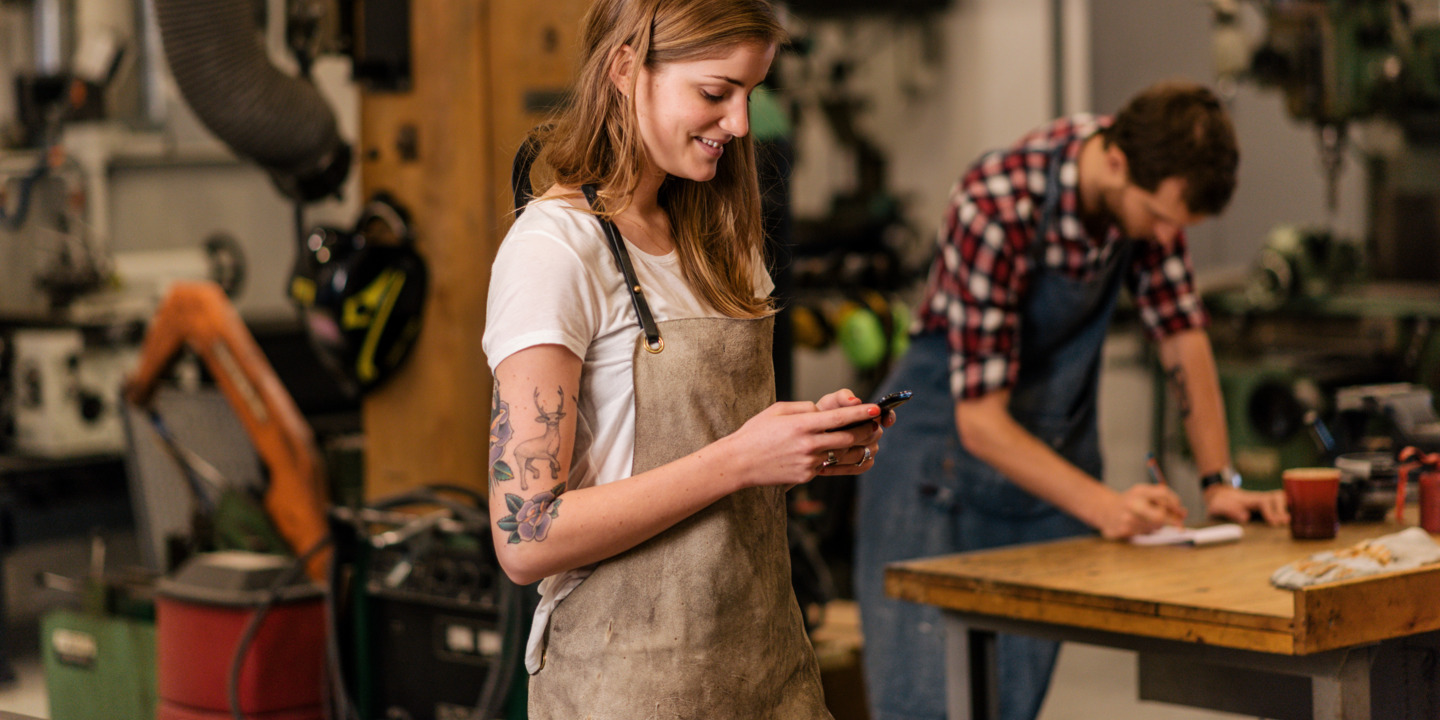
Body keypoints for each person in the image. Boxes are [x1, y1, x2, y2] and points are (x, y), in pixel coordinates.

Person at [483, 1, 892, 717]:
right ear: (623, 69)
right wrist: (741, 459)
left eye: (750, 95)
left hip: (766, 666)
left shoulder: (717, 239)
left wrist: (804, 447)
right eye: (714, 93)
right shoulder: (554, 253)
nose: (738, 125)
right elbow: (524, 535)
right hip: (630, 685)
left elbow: (719, 471)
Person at [853, 80, 1291, 720]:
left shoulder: (1144, 188)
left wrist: (1218, 482)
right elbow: (980, 423)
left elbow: (1183, 340)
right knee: (929, 707)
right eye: (1161, 217)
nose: (1168, 235)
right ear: (1115, 162)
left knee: (1009, 708)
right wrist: (1107, 507)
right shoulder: (999, 204)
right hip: (938, 474)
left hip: (1044, 480)